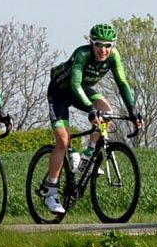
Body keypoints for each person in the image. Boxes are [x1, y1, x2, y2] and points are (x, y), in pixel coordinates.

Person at [40, 23, 140, 216]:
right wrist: (91, 109)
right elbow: (75, 85)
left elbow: (123, 83)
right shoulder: (82, 54)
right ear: (91, 43)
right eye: (99, 45)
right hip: (61, 92)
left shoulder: (114, 57)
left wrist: (133, 111)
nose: (103, 50)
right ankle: (50, 191)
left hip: (83, 89)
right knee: (62, 141)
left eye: (108, 45)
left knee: (107, 111)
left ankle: (88, 156)